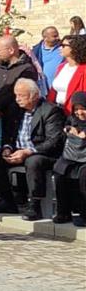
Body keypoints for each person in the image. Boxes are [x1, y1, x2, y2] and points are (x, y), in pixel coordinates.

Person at [0, 79, 66, 221]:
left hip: (43, 154)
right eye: (16, 95)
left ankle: (35, 205)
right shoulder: (16, 110)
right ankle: (8, 201)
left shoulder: (50, 111)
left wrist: (29, 151)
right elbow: (9, 135)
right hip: (19, 151)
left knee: (33, 161)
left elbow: (54, 141)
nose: (17, 99)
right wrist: (7, 148)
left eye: (21, 96)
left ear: (34, 96)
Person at [0, 35, 41, 213]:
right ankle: (4, 197)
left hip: (14, 118)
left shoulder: (26, 69)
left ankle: (16, 199)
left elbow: (9, 92)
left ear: (11, 50)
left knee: (9, 157)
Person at [52, 91, 86, 226]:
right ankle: (63, 212)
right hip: (72, 156)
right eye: (76, 109)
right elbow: (65, 127)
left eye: (83, 108)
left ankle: (84, 214)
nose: (79, 112)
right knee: (60, 171)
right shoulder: (72, 119)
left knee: (84, 175)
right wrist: (69, 130)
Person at [47, 35, 86, 112]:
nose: (60, 48)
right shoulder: (61, 67)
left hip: (75, 112)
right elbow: (53, 91)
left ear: (75, 48)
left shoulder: (84, 69)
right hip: (57, 110)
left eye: (63, 45)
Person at [31, 27, 63, 94]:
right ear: (45, 38)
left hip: (61, 90)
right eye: (54, 36)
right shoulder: (36, 51)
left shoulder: (63, 48)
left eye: (57, 35)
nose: (58, 38)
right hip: (45, 90)